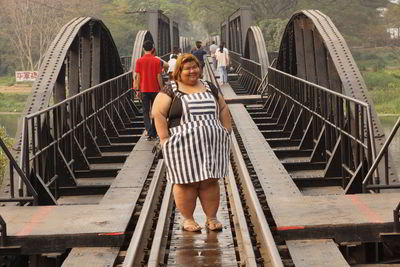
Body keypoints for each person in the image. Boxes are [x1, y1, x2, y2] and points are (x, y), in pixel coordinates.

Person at [152, 54, 232, 232]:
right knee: (185, 182)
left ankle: (211, 218)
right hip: (182, 145)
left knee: (210, 181)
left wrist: (226, 130)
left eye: (194, 67)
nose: (192, 71)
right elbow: (157, 113)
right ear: (178, 71)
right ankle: (188, 219)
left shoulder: (208, 86)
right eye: (187, 68)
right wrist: (165, 139)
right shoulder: (171, 89)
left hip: (212, 144)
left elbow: (224, 108)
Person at [134, 40, 163, 141]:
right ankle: (154, 131)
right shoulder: (157, 61)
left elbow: (138, 76)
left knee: (145, 112)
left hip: (144, 89)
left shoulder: (139, 61)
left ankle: (149, 131)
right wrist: (162, 89)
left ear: (143, 49)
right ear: (152, 49)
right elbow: (158, 76)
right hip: (155, 89)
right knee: (155, 111)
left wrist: (137, 89)